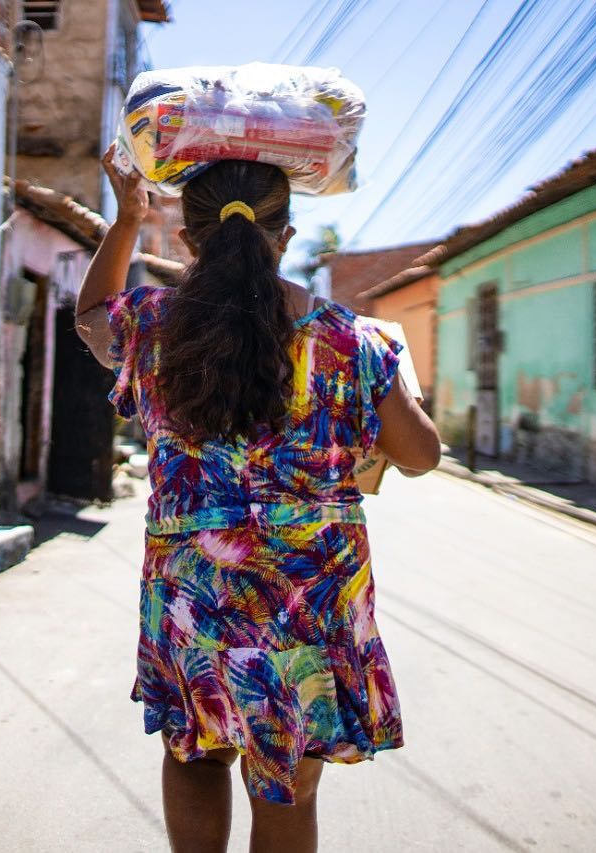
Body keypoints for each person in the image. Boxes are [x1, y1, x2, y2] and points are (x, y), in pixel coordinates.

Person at [75, 144, 441, 853]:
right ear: (286, 238)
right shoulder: (349, 339)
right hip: (309, 597)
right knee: (288, 781)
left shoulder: (154, 325)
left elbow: (92, 311)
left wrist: (126, 221)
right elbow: (421, 456)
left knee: (194, 751)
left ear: (186, 240)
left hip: (195, 592)